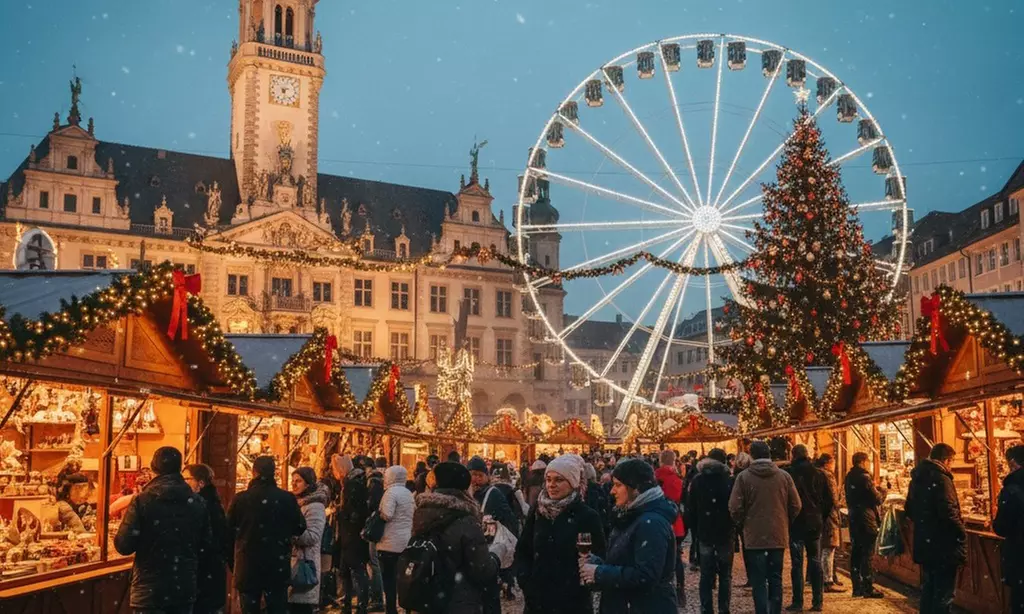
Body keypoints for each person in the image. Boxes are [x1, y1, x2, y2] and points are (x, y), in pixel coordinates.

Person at [114, 447, 211, 614]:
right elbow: (206, 545)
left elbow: (123, 545)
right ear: (179, 468)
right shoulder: (197, 502)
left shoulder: (142, 500)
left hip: (149, 591)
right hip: (183, 588)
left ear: (153, 468)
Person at [581, 458, 677, 613]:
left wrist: (599, 572)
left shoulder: (651, 522)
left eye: (618, 485)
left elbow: (646, 575)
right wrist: (596, 564)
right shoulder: (630, 515)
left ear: (636, 489)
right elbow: (624, 561)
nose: (612, 491)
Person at [514, 454, 605, 614]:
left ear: (572, 483)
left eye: (559, 480)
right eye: (548, 479)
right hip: (537, 602)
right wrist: (526, 581)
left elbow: (599, 555)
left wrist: (583, 579)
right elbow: (523, 549)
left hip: (572, 603)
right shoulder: (538, 512)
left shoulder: (586, 516)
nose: (552, 485)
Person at [410, 461, 501, 613]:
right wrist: (496, 557)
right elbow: (481, 569)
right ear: (465, 489)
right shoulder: (466, 520)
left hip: (428, 599)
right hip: (458, 601)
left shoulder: (422, 513)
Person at [729, 440, 801, 614]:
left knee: (758, 580)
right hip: (777, 534)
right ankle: (774, 610)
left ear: (752, 455)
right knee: (776, 578)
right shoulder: (784, 476)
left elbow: (734, 507)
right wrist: (784, 520)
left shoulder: (744, 477)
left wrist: (744, 522)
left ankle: (761, 611)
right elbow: (796, 505)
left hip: (754, 537)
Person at [228, 455, 307, 614]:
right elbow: (300, 527)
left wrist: (234, 561)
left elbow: (228, 531)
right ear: (274, 473)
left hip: (248, 565)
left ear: (254, 472)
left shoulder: (241, 499)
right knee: (277, 607)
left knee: (250, 608)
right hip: (276, 564)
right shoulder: (286, 498)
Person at [905, 443, 966, 614]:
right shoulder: (941, 479)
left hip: (926, 542)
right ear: (946, 460)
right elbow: (948, 512)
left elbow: (909, 509)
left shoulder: (918, 477)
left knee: (929, 589)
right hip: (943, 545)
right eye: (952, 461)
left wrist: (925, 525)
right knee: (944, 593)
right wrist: (960, 532)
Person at [686, 447, 734, 614]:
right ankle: (724, 609)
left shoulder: (698, 481)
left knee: (706, 575)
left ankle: (706, 608)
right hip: (725, 532)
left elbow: (690, 508)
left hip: (705, 532)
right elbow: (734, 507)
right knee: (725, 575)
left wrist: (694, 528)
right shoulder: (728, 480)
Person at [785, 444, 833, 612]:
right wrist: (820, 515)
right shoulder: (820, 474)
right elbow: (829, 501)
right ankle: (817, 601)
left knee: (797, 564)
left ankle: (798, 602)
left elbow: (786, 500)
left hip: (796, 523)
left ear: (793, 455)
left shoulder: (789, 474)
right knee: (815, 561)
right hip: (814, 523)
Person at [184, 463, 230, 614]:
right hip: (211, 571)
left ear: (200, 483)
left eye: (187, 479)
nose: (183, 482)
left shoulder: (200, 506)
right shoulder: (212, 503)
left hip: (202, 571)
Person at [332, 454, 371, 614]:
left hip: (351, 535)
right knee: (349, 570)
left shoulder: (351, 485)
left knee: (354, 570)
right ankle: (351, 603)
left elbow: (353, 511)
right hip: (354, 535)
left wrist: (340, 513)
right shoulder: (356, 482)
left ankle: (359, 604)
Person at [844, 451, 886, 599]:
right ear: (863, 461)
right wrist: (883, 490)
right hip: (866, 519)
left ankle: (857, 587)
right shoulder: (865, 477)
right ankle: (868, 588)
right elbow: (877, 499)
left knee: (856, 553)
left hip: (854, 518)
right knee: (867, 554)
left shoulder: (849, 476)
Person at [287, 467, 329, 613]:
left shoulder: (315, 506)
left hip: (305, 565)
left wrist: (290, 536)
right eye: (292, 481)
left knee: (301, 607)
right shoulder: (297, 503)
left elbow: (313, 536)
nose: (294, 484)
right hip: (295, 564)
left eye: (298, 481)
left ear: (308, 483)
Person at [377, 465, 414, 614]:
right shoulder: (408, 493)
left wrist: (378, 512)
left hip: (389, 543)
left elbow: (387, 514)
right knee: (403, 579)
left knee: (389, 580)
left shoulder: (390, 493)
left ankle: (391, 609)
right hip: (405, 542)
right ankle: (405, 607)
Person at [994, 444, 1024, 614]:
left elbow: (1002, 527)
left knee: (1019, 600)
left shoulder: (1011, 489)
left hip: (1019, 555)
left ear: (1013, 463)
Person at [654, 448, 687, 606]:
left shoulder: (654, 477)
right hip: (675, 522)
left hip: (658, 521)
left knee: (658, 556)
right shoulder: (677, 479)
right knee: (677, 558)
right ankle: (680, 589)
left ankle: (659, 588)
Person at [813, 453, 844, 592]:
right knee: (829, 548)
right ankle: (828, 580)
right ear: (827, 463)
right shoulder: (828, 476)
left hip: (817, 516)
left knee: (821, 549)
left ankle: (820, 578)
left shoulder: (814, 474)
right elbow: (833, 499)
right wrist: (839, 505)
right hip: (828, 517)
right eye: (833, 462)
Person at [365, 457, 386, 612]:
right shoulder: (383, 482)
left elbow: (374, 506)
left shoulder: (373, 483)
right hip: (383, 531)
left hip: (375, 529)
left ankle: (377, 598)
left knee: (375, 563)